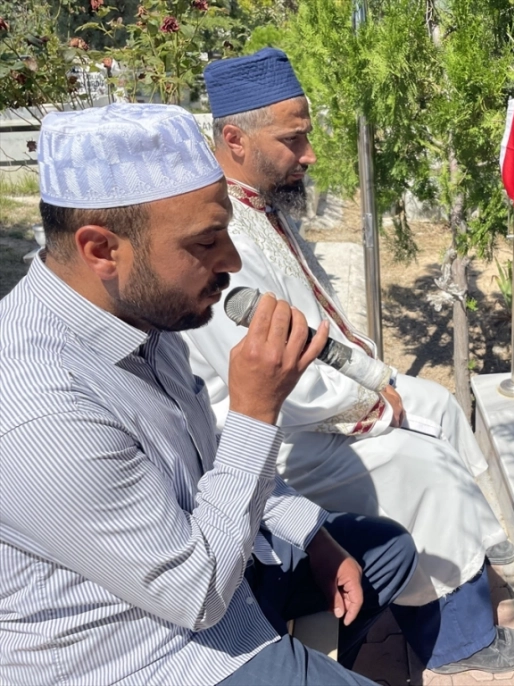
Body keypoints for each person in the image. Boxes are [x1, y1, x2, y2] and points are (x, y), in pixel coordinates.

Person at [0, 102, 419, 686]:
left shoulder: (141, 313)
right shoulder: (38, 409)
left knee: (383, 550)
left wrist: (312, 534)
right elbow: (195, 594)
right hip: (149, 653)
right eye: (205, 243)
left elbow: (204, 461)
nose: (232, 261)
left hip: (221, 578)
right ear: (102, 251)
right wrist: (257, 409)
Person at [183, 48, 514, 674]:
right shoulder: (219, 236)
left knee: (437, 404)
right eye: (294, 139)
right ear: (235, 138)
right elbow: (270, 374)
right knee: (421, 464)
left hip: (313, 390)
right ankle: (456, 639)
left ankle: (477, 540)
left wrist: (376, 379)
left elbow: (314, 320)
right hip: (269, 430)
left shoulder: (260, 203)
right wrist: (369, 403)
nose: (310, 155)